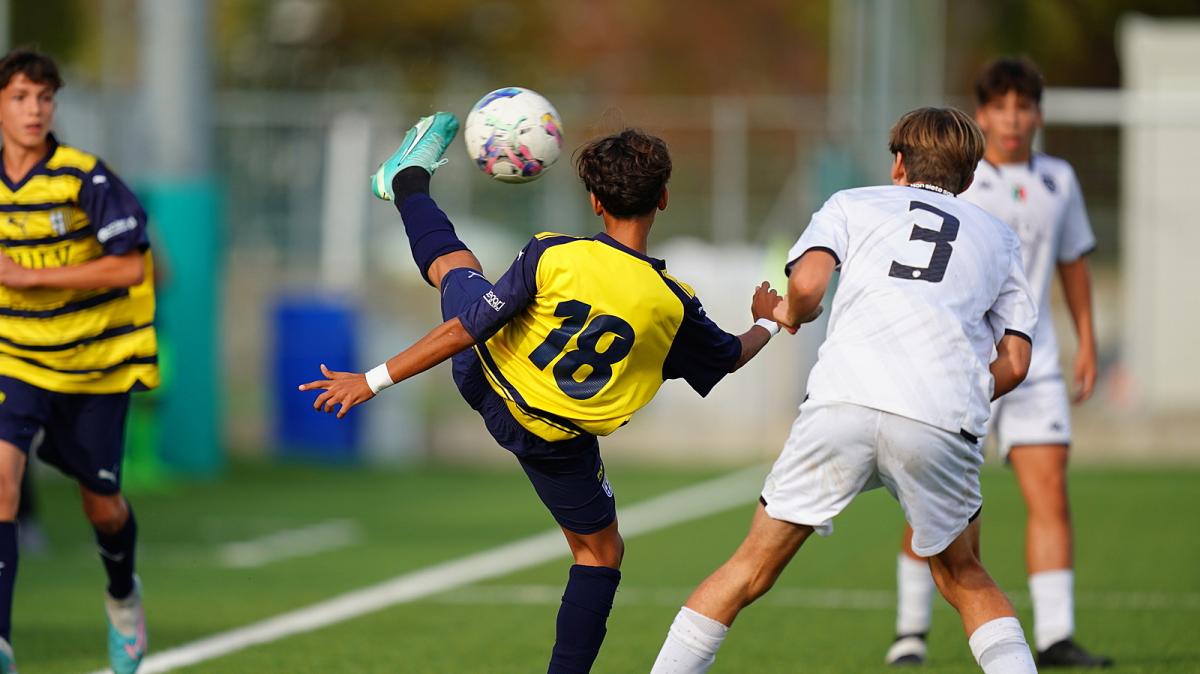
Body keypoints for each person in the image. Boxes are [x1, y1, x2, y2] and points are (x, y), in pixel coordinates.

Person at [301, 112, 786, 674]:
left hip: (484, 376)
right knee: (601, 554)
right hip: (557, 440)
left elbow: (466, 330)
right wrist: (769, 322)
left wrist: (370, 380)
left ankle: (408, 178)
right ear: (665, 199)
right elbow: (727, 357)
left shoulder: (553, 253)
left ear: (595, 202)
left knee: (457, 269)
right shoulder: (673, 303)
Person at [648, 107, 1041, 674]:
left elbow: (807, 288)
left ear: (899, 164)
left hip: (842, 403)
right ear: (971, 177)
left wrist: (786, 312)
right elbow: (1018, 359)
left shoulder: (853, 203)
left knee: (749, 569)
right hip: (939, 416)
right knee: (964, 576)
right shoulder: (1000, 238)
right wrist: (967, 391)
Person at [884, 58, 1110, 669]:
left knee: (1049, 493)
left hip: (1034, 367)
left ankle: (1057, 635)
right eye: (1001, 107)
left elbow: (1073, 262)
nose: (1013, 119)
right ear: (981, 116)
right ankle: (910, 632)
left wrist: (1087, 338)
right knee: (932, 501)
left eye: (1024, 106)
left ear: (1038, 114)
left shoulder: (1059, 179)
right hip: (956, 367)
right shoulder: (960, 182)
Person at [0, 49, 157, 674]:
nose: (34, 110)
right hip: (16, 360)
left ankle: (123, 596)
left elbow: (130, 264)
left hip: (95, 365)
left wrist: (32, 279)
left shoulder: (84, 178)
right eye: (19, 97)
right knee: (3, 484)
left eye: (43, 98)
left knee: (102, 503)